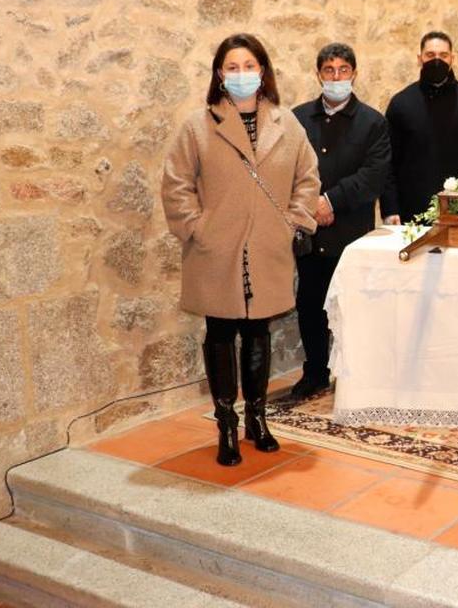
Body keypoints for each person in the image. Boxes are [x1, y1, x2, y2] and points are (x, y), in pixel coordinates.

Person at [162, 33, 320, 466]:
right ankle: (226, 425)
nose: (241, 75)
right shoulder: (198, 126)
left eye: (249, 66)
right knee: (219, 334)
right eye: (232, 68)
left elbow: (307, 177)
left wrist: (296, 221)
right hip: (216, 251)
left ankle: (257, 418)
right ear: (219, 74)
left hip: (267, 247)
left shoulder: (287, 125)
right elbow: (176, 183)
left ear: (263, 71)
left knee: (257, 334)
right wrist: (198, 228)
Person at [290, 43, 391, 399]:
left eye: (343, 70)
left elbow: (373, 175)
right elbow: (288, 169)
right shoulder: (298, 118)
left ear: (354, 74)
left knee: (350, 307)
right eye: (329, 70)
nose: (336, 77)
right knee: (310, 304)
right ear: (318, 74)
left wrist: (331, 200)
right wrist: (311, 204)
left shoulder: (373, 122)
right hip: (309, 230)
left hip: (350, 231)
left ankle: (352, 376)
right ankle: (315, 372)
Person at [380, 31, 458, 223]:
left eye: (443, 56)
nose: (436, 60)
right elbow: (388, 163)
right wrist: (390, 208)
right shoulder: (401, 104)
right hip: (411, 213)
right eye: (430, 55)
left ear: (452, 58)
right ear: (419, 59)